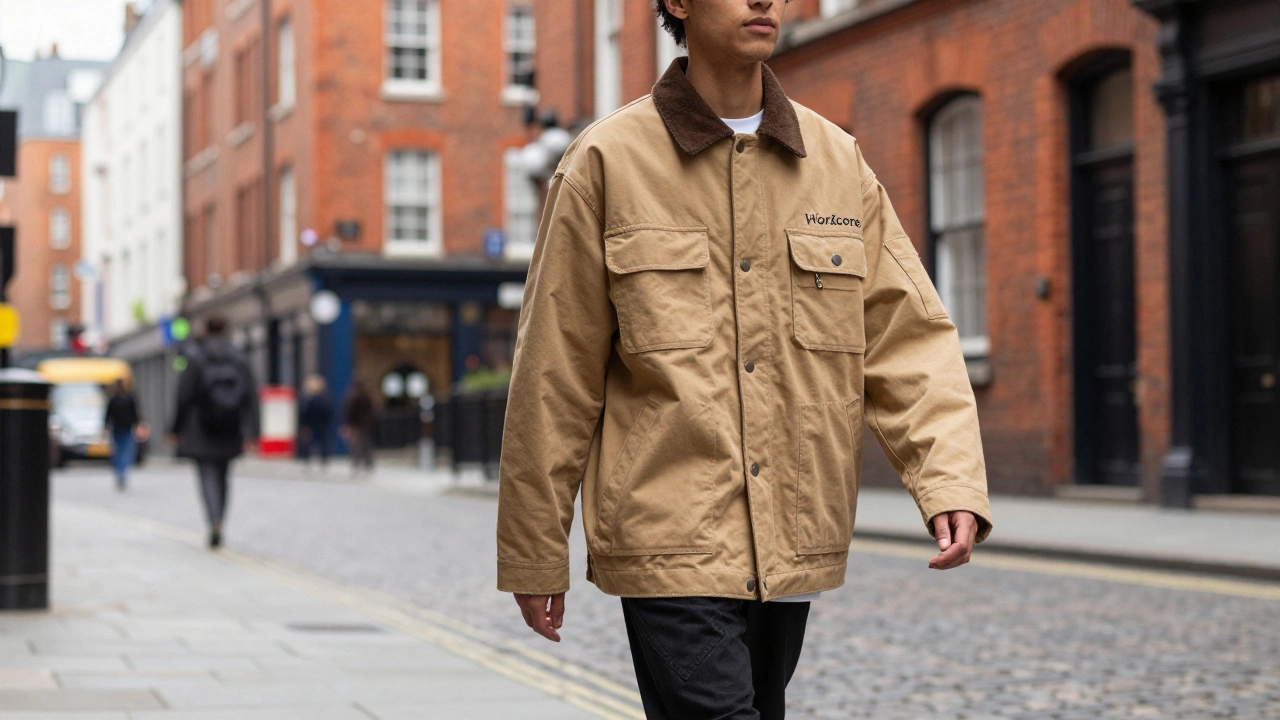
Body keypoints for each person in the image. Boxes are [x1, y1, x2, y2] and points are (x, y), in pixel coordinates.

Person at [496, 1, 995, 718]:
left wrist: (948, 479)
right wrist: (534, 548)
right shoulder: (606, 162)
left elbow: (906, 334)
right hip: (668, 540)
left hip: (793, 539)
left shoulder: (835, 163)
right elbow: (554, 374)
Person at [170, 316, 259, 549]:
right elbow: (250, 396)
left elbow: (184, 396)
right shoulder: (239, 357)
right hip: (231, 427)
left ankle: (213, 520)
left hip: (201, 428)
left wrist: (175, 429)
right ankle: (221, 519)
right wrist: (252, 432)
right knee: (223, 476)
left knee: (207, 475)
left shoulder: (196, 357)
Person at [103, 379, 141, 491]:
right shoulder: (129, 398)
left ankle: (119, 471)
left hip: (117, 429)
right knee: (126, 451)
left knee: (118, 451)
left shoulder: (113, 399)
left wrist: (105, 428)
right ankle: (123, 471)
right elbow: (135, 414)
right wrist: (137, 424)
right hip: (126, 429)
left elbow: (108, 416)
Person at [341, 380, 378, 478]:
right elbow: (373, 411)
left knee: (356, 446)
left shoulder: (352, 397)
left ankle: (357, 464)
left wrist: (347, 425)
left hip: (356, 425)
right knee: (365, 445)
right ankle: (367, 464)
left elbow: (348, 412)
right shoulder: (367, 397)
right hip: (364, 424)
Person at [297, 374, 334, 470]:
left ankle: (308, 460)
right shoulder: (323, 400)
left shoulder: (309, 401)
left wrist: (304, 425)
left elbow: (303, 414)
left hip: (312, 426)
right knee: (321, 443)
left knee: (311, 444)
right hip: (319, 426)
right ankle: (323, 460)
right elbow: (328, 413)